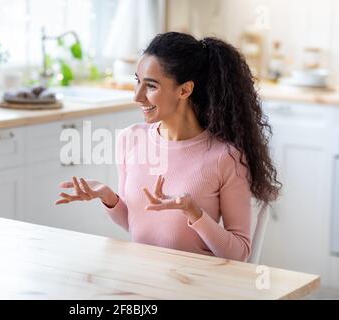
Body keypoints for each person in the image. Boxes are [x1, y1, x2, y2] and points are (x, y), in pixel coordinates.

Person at [55, 32, 280, 262]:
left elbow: (240, 254)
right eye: (137, 82)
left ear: (184, 90)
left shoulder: (225, 158)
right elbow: (139, 227)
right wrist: (107, 197)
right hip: (146, 278)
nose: (137, 96)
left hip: (196, 285)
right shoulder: (130, 139)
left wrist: (193, 212)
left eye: (151, 86)